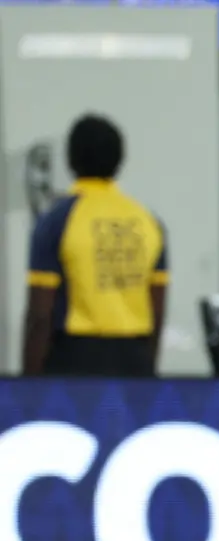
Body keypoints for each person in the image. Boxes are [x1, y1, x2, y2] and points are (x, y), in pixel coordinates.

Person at [24, 114, 168, 377]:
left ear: (70, 160)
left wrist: (28, 386)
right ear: (120, 161)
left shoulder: (56, 221)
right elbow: (157, 312)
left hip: (75, 360)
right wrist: (149, 375)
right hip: (135, 358)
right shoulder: (148, 222)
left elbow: (40, 315)